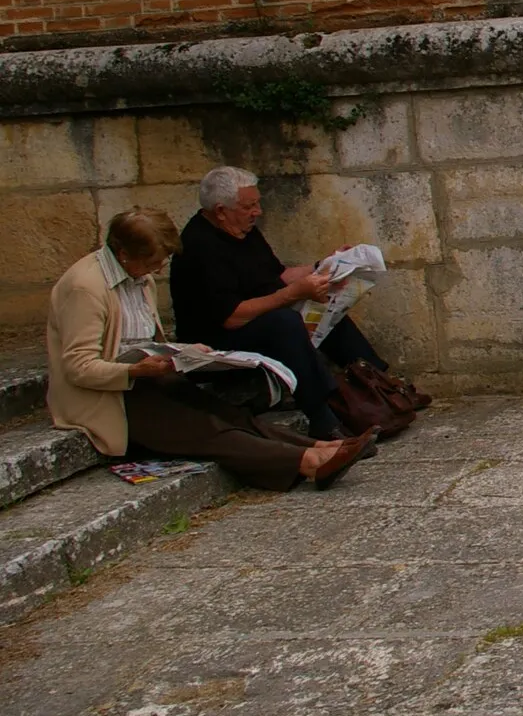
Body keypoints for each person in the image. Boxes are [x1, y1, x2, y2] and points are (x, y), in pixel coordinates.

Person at [47, 208, 371, 490]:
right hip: (110, 395)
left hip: (146, 377)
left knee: (227, 413)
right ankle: (309, 461)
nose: (158, 271)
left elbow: (143, 338)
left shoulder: (137, 276)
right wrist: (133, 370)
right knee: (206, 430)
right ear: (124, 254)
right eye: (152, 262)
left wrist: (186, 355)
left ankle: (323, 446)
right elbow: (78, 366)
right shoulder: (85, 288)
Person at [169, 166, 396, 441]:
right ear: (221, 210)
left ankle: (383, 387)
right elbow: (231, 317)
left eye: (257, 203)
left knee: (327, 308)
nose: (258, 212)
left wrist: (326, 266)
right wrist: (293, 294)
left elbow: (277, 276)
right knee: (285, 322)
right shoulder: (199, 246)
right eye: (249, 206)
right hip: (216, 338)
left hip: (254, 319)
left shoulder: (243, 230)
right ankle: (323, 418)